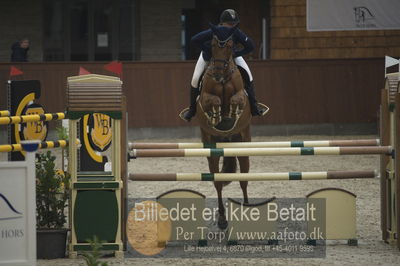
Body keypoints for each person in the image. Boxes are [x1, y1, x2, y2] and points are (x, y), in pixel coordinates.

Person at [182, 9, 267, 122]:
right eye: (229, 24)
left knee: (249, 75)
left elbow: (250, 46)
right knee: (195, 79)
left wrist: (236, 54)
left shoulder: (235, 32)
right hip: (208, 57)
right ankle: (192, 110)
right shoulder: (214, 31)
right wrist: (209, 51)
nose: (231, 26)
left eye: (234, 24)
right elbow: (194, 40)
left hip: (230, 57)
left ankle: (254, 106)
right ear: (221, 23)